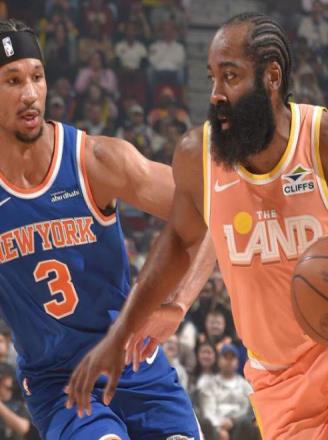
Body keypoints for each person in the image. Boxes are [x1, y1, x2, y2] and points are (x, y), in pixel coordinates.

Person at [67, 12, 328, 439]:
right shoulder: (198, 156)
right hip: (278, 381)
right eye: (212, 77)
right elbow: (179, 241)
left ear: (272, 76)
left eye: (230, 76)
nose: (216, 94)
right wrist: (125, 330)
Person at [0, 18, 213, 440]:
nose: (30, 94)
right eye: (12, 80)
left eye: (37, 77)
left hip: (133, 361)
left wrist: (179, 303)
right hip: (59, 382)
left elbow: (213, 208)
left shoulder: (94, 161)